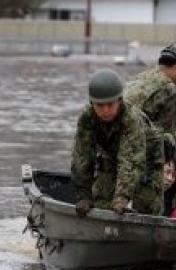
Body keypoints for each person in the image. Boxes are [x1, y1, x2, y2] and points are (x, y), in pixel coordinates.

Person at [70, 69, 163, 218]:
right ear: (92, 103)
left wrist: (121, 198)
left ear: (119, 101)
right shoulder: (87, 118)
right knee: (101, 199)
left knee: (147, 203)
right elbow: (82, 157)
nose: (105, 110)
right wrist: (83, 195)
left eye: (110, 104)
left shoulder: (131, 119)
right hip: (111, 153)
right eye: (100, 105)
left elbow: (131, 161)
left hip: (147, 156)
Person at [124, 42, 176, 213]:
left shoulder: (140, 78)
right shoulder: (169, 90)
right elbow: (165, 140)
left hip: (119, 156)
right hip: (142, 161)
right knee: (151, 211)